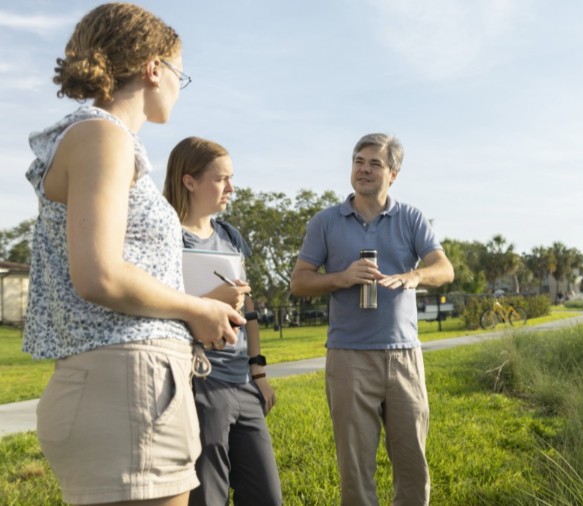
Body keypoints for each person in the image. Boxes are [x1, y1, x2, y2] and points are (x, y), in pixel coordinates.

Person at [22, 4, 244, 505]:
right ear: (153, 68)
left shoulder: (97, 138)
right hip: (129, 386)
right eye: (179, 74)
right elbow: (99, 275)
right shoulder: (102, 136)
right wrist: (198, 309)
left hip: (124, 385)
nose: (178, 88)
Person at [290, 133, 454, 505]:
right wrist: (341, 277)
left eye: (374, 163)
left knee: (412, 463)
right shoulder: (325, 222)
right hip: (349, 357)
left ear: (393, 174)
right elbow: (299, 282)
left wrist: (415, 275)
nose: (363, 169)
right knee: (355, 468)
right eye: (358, 161)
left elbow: (444, 269)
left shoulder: (410, 218)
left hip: (404, 356)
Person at [164, 137, 282, 505]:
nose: (230, 187)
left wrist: (258, 373)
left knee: (267, 495)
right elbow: (159, 310)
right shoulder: (167, 238)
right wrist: (212, 301)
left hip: (242, 382)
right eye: (220, 179)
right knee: (208, 497)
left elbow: (249, 309)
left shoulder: (230, 237)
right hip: (199, 383)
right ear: (189, 181)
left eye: (231, 178)